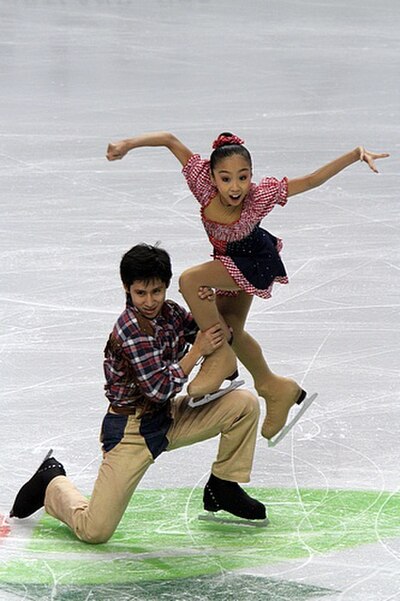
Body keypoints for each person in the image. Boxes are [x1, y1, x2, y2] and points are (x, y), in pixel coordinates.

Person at [106, 132, 389, 440]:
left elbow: (310, 181)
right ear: (212, 176)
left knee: (190, 280)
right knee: (232, 329)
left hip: (254, 262)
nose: (236, 187)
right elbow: (170, 140)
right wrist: (127, 145)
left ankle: (221, 359)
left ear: (251, 175)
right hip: (227, 260)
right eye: (226, 179)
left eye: (243, 177)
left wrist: (356, 154)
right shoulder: (202, 184)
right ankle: (274, 387)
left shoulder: (259, 196)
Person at [10, 243, 267, 541]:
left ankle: (223, 486)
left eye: (156, 291)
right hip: (131, 431)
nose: (149, 301)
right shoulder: (129, 328)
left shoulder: (169, 313)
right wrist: (196, 351)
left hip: (168, 417)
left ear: (166, 287)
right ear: (127, 288)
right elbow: (158, 388)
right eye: (140, 293)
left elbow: (208, 332)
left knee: (244, 404)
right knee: (94, 531)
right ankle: (51, 482)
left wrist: (208, 307)